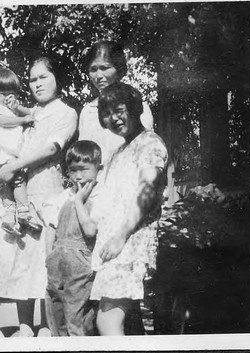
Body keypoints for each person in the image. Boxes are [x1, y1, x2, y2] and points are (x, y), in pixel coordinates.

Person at [0, 56, 78, 337]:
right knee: (21, 260)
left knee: (44, 262)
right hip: (19, 191)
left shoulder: (66, 113)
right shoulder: (31, 114)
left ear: (57, 79)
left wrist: (14, 166)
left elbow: (52, 148)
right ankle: (25, 325)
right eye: (33, 79)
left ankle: (46, 326)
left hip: (46, 190)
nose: (37, 83)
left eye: (44, 77)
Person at [90, 82, 168, 336]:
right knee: (127, 322)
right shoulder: (117, 152)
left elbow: (147, 191)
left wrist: (120, 236)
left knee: (107, 321)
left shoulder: (150, 143)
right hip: (114, 242)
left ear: (134, 109)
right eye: (107, 113)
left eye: (119, 110)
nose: (113, 118)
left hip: (130, 241)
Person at [42, 140, 102, 336]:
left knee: (76, 316)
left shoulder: (99, 197)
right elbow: (52, 227)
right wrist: (49, 256)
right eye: (73, 170)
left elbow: (91, 231)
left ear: (98, 168)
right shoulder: (62, 196)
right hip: (57, 261)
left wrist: (78, 201)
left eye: (83, 169)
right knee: (55, 308)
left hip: (80, 262)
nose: (78, 176)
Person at [0, 68, 41, 236]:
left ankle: (8, 217)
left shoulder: (6, 107)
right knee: (18, 176)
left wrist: (17, 107)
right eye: (3, 93)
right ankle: (23, 212)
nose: (7, 97)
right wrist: (23, 119)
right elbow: (4, 121)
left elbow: (34, 112)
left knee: (10, 183)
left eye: (11, 93)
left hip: (6, 154)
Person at [78, 40, 154, 165]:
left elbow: (145, 150)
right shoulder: (88, 112)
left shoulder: (137, 106)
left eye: (105, 68)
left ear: (119, 69)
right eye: (93, 69)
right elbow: (84, 155)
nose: (98, 76)